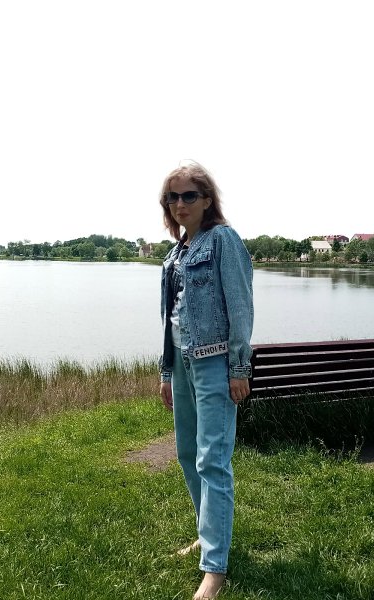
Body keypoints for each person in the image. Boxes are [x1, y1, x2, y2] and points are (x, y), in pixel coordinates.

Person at [159, 163, 253, 599]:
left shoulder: (222, 240)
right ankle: (207, 533)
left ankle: (214, 567)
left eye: (189, 196)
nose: (180, 204)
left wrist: (239, 369)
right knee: (186, 454)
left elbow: (240, 306)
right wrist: (166, 372)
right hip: (182, 363)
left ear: (207, 199)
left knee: (212, 461)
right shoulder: (177, 251)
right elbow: (171, 319)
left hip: (215, 363)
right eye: (173, 197)